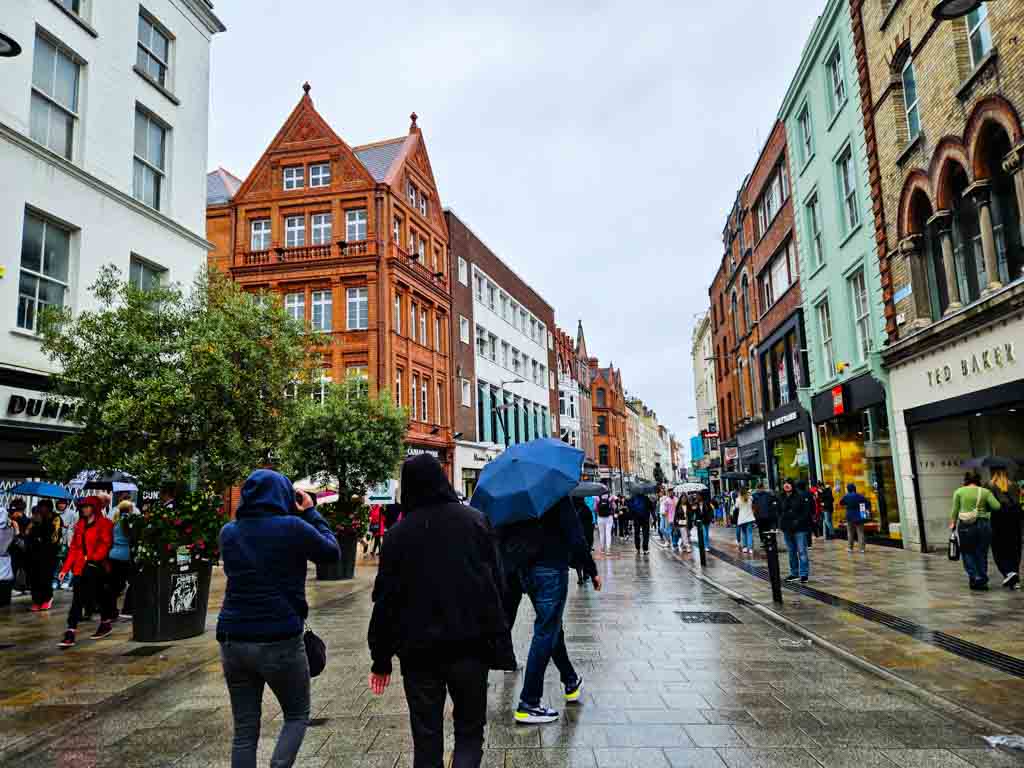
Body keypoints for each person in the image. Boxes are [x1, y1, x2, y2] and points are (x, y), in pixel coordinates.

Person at [369, 456, 514, 768]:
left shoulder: (396, 536)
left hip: (419, 652)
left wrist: (381, 658)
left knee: (426, 736)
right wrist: (499, 635)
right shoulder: (475, 521)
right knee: (470, 731)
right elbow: (498, 584)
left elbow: (385, 600)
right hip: (470, 646)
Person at [217, 470, 341, 768]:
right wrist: (311, 513)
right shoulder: (292, 527)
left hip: (233, 637)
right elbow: (331, 552)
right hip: (279, 636)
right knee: (297, 714)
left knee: (245, 730)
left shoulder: (229, 532)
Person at [499, 492, 600, 725]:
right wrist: (591, 569)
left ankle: (570, 680)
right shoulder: (556, 496)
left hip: (526, 571)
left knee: (553, 628)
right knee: (546, 631)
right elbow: (576, 537)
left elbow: (503, 536)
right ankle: (529, 702)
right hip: (551, 569)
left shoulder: (515, 498)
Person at [58, 496, 115, 647]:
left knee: (99, 596)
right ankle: (71, 630)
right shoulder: (80, 525)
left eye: (87, 506)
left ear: (94, 508)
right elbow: (74, 548)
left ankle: (106, 621)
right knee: (78, 598)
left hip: (96, 566)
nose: (84, 509)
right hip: (80, 567)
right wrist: (65, 569)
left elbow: (105, 544)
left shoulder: (105, 524)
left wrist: (92, 559)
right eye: (83, 506)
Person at [950, 471, 1001, 591]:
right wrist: (984, 508)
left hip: (965, 525)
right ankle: (982, 579)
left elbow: (955, 509)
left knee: (967, 552)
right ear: (978, 480)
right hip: (983, 524)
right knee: (981, 552)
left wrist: (952, 523)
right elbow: (997, 506)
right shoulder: (985, 491)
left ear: (966, 480)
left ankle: (974, 577)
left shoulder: (959, 491)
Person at [988, 468, 1023, 588]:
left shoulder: (989, 486)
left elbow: (990, 504)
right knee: (1015, 547)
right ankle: (1014, 574)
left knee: (999, 548)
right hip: (1014, 520)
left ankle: (1008, 572)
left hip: (998, 520)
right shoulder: (1014, 485)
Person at [26, 500, 62, 611]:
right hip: (34, 553)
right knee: (34, 577)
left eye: (43, 508)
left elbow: (53, 538)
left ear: (48, 508)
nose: (41, 510)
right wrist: (34, 524)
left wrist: (42, 525)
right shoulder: (36, 518)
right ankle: (36, 600)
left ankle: (47, 598)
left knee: (45, 577)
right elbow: (28, 534)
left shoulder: (56, 519)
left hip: (49, 554)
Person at [779, 480, 813, 583]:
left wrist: (798, 521)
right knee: (791, 551)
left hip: (799, 528)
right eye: (784, 483)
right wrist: (780, 523)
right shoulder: (781, 497)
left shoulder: (800, 496)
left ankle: (804, 574)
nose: (786, 485)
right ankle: (794, 573)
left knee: (802, 551)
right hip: (787, 528)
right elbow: (778, 511)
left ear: (792, 485)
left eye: (788, 483)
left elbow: (806, 511)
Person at [108, 499, 136, 618]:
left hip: (113, 554)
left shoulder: (115, 521)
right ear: (129, 509)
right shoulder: (128, 521)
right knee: (131, 582)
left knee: (113, 586)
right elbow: (131, 538)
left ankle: (111, 611)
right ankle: (128, 610)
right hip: (125, 555)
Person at [840, 483, 871, 554]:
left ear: (848, 489)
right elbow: (867, 502)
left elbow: (841, 503)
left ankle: (850, 548)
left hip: (849, 517)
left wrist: (847, 504)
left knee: (850, 533)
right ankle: (862, 549)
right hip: (859, 517)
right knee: (860, 532)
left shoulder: (846, 496)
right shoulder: (859, 496)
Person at [574, 496, 596, 585]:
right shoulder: (586, 509)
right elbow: (590, 525)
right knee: (585, 554)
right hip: (586, 536)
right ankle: (585, 574)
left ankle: (580, 576)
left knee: (577, 557)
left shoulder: (572, 509)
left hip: (576, 536)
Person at [735, 488, 755, 554]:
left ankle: (745, 548)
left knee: (744, 533)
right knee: (750, 533)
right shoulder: (750, 498)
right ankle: (750, 548)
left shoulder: (738, 499)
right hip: (749, 518)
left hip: (742, 519)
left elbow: (736, 507)